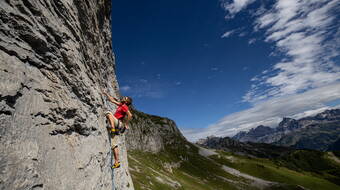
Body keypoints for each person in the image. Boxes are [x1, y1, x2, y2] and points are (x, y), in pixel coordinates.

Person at [103, 92, 133, 168]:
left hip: (118, 124)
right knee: (114, 145)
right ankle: (117, 162)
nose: (123, 97)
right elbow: (112, 100)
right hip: (118, 125)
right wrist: (106, 94)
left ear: (126, 101)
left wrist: (126, 123)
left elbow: (130, 115)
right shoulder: (121, 105)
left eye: (125, 98)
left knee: (108, 113)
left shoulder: (124, 106)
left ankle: (112, 128)